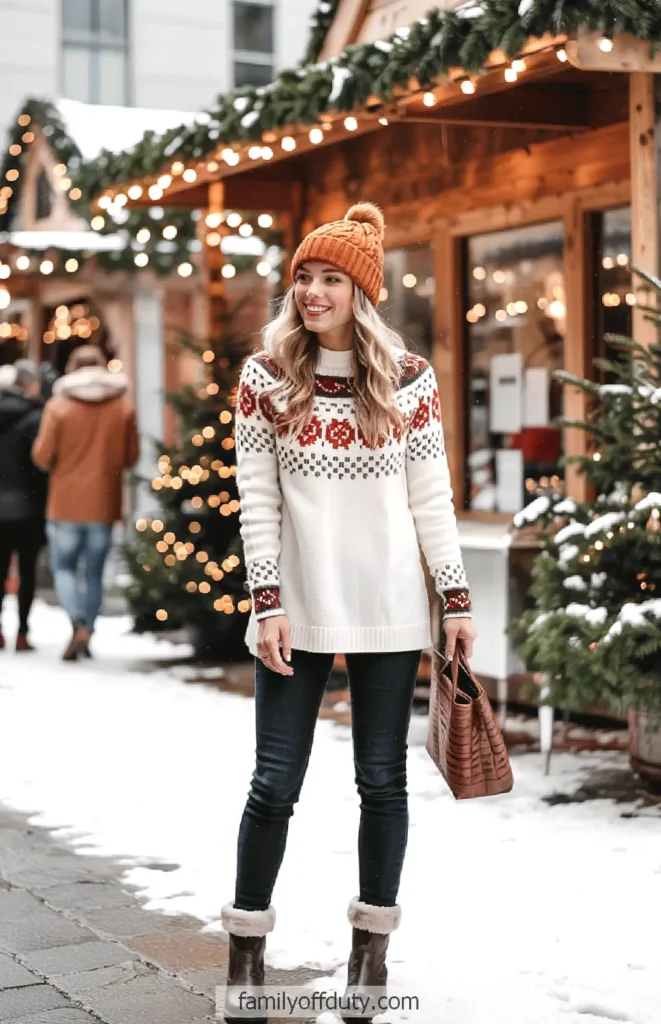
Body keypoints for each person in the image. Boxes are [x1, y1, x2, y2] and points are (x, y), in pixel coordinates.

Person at [221, 203, 476, 1022]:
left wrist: (456, 599)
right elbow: (256, 499)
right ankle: (247, 959)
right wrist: (267, 604)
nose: (312, 292)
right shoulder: (266, 378)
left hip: (391, 606)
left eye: (331, 278)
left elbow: (431, 497)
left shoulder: (409, 380)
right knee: (273, 783)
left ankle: (369, 963)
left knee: (382, 781)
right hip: (296, 607)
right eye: (304, 276)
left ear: (360, 292)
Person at [32, 346, 139, 660]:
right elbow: (131, 457)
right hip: (103, 503)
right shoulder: (122, 407)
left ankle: (77, 622)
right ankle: (87, 631)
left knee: (63, 567)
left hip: (64, 501)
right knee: (93, 572)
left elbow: (41, 456)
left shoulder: (58, 406)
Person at [0, 360, 47, 651]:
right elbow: (39, 466)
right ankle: (23, 632)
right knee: (28, 571)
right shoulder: (35, 417)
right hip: (28, 507)